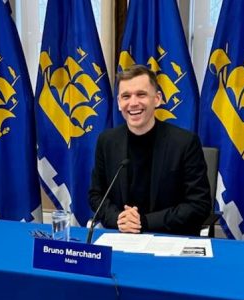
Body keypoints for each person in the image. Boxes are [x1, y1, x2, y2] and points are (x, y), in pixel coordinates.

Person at [88, 65, 211, 236]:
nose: (133, 103)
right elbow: (96, 195)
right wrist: (118, 219)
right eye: (126, 96)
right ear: (119, 103)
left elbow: (199, 204)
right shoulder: (107, 141)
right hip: (121, 236)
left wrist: (144, 222)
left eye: (141, 94)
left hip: (168, 237)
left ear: (157, 99)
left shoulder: (185, 143)